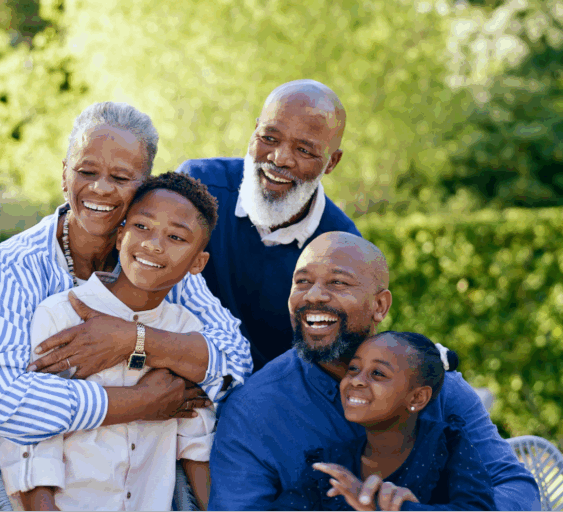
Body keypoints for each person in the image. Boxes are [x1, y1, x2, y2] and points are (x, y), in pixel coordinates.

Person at [0, 103, 252, 461]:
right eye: (86, 171)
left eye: (120, 178)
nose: (100, 188)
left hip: (143, 480)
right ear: (65, 175)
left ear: (145, 188)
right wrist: (141, 401)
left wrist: (132, 339)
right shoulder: (21, 262)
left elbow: (235, 362)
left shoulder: (154, 259)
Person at [208, 232, 540, 511]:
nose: (314, 295)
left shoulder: (438, 385)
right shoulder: (253, 410)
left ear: (379, 306)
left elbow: (514, 485)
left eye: (338, 282)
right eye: (302, 282)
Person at [0, 173, 219, 511]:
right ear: (120, 236)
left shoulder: (186, 332)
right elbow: (31, 448)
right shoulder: (60, 316)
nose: (154, 244)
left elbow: (195, 447)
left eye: (175, 237)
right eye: (142, 227)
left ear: (198, 263)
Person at [177, 79, 360, 370]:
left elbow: (331, 363)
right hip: (175, 370)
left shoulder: (343, 247)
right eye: (269, 138)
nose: (279, 158)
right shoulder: (198, 187)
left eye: (304, 150)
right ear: (254, 131)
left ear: (331, 162)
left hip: (266, 402)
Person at [307, 331, 496, 511]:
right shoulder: (332, 463)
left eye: (378, 373)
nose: (357, 380)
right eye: (353, 369)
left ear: (417, 398)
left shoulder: (447, 445)